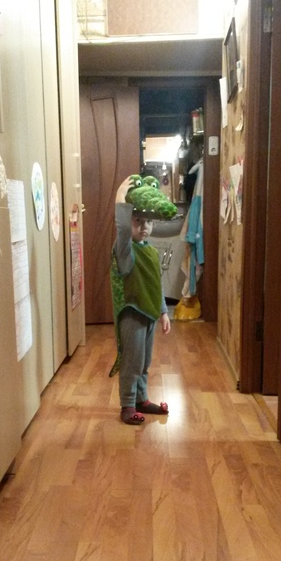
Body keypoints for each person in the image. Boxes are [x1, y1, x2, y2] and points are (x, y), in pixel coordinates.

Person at [109, 176, 171, 425]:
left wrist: (164, 312)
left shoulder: (151, 252)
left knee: (144, 361)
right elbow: (123, 231)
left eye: (148, 222)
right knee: (132, 362)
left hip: (149, 314)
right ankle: (127, 404)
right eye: (137, 221)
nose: (144, 227)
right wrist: (120, 198)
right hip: (132, 314)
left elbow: (157, 284)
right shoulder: (125, 251)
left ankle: (141, 399)